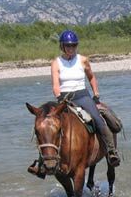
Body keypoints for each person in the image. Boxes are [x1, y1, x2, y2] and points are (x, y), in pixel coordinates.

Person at [28, 30, 120, 178]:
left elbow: (91, 77)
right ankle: (41, 165)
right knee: (47, 126)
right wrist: (59, 98)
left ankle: (111, 152)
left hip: (82, 96)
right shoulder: (56, 63)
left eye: (73, 45)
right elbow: (55, 84)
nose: (71, 48)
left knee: (98, 120)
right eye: (67, 46)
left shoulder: (83, 60)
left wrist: (95, 94)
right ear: (62, 46)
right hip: (64, 98)